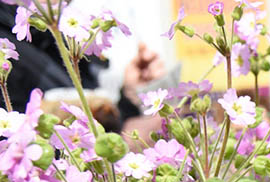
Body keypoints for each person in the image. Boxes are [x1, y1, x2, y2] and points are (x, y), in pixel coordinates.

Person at [0, 4, 164, 135]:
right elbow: (13, 143)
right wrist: (120, 142)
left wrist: (129, 97)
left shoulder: (37, 24)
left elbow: (90, 114)